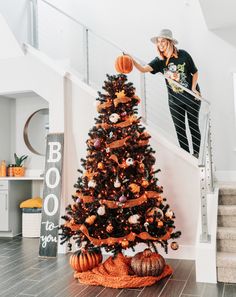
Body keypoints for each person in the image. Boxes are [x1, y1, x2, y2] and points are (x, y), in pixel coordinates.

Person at [129, 29, 201, 158]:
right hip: (174, 101)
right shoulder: (160, 61)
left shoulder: (183, 55)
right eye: (158, 42)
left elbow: (195, 72)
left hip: (191, 97)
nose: (160, 44)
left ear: (170, 42)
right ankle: (187, 157)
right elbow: (143, 69)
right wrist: (131, 60)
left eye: (163, 41)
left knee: (193, 127)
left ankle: (197, 155)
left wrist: (194, 88)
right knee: (180, 130)